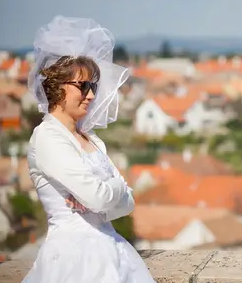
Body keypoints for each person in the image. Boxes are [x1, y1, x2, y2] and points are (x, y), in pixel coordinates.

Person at [23, 16, 156, 283]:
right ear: (57, 86)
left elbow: (126, 203)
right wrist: (110, 190)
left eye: (93, 86)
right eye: (83, 86)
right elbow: (103, 198)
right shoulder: (47, 137)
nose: (92, 95)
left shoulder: (92, 139)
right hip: (75, 261)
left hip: (114, 254)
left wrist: (105, 194)